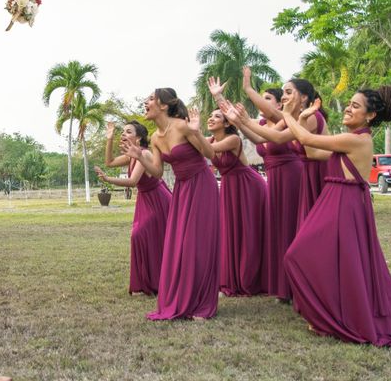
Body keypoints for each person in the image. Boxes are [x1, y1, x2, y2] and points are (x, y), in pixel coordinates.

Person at [282, 86, 391, 346]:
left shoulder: (357, 140)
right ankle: (330, 315)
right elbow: (313, 152)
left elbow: (307, 140)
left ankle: (333, 317)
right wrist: (299, 119)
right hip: (335, 198)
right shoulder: (350, 138)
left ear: (370, 115)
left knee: (298, 254)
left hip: (344, 202)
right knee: (329, 260)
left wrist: (287, 114)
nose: (349, 108)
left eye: (355, 106)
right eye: (349, 104)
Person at [123, 88, 219, 320]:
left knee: (198, 244)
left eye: (151, 99)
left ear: (164, 105)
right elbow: (156, 173)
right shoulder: (155, 137)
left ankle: (203, 304)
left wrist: (196, 133)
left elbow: (211, 156)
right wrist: (138, 156)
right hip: (182, 189)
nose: (145, 102)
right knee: (180, 244)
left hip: (202, 185)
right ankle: (183, 297)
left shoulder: (182, 125)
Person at [229, 68, 303, 301]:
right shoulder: (265, 123)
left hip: (292, 176)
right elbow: (257, 137)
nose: (269, 103)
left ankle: (297, 285)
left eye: (270, 98)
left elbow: (269, 133)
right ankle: (283, 286)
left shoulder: (287, 120)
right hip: (274, 178)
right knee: (278, 229)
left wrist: (248, 88)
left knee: (291, 227)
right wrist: (237, 119)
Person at [230, 77, 328, 231]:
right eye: (283, 93)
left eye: (288, 92)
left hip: (318, 173)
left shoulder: (311, 117)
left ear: (303, 97)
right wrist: (240, 122)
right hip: (305, 174)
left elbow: (279, 137)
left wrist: (248, 92)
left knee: (314, 229)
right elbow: (261, 138)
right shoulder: (292, 120)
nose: (283, 96)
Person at [94, 120, 171, 295]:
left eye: (128, 132)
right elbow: (109, 162)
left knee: (140, 235)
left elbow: (132, 182)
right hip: (145, 200)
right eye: (123, 131)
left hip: (158, 200)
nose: (124, 134)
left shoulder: (145, 154)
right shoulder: (131, 155)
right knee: (145, 238)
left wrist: (108, 180)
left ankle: (157, 282)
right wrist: (109, 139)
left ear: (139, 137)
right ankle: (145, 284)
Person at [204, 106, 268, 296]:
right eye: (210, 115)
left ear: (226, 123)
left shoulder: (233, 139)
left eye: (216, 116)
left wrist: (190, 132)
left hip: (248, 186)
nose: (210, 118)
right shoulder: (210, 139)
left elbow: (206, 149)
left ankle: (249, 277)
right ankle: (230, 277)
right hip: (229, 186)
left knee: (248, 231)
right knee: (230, 230)